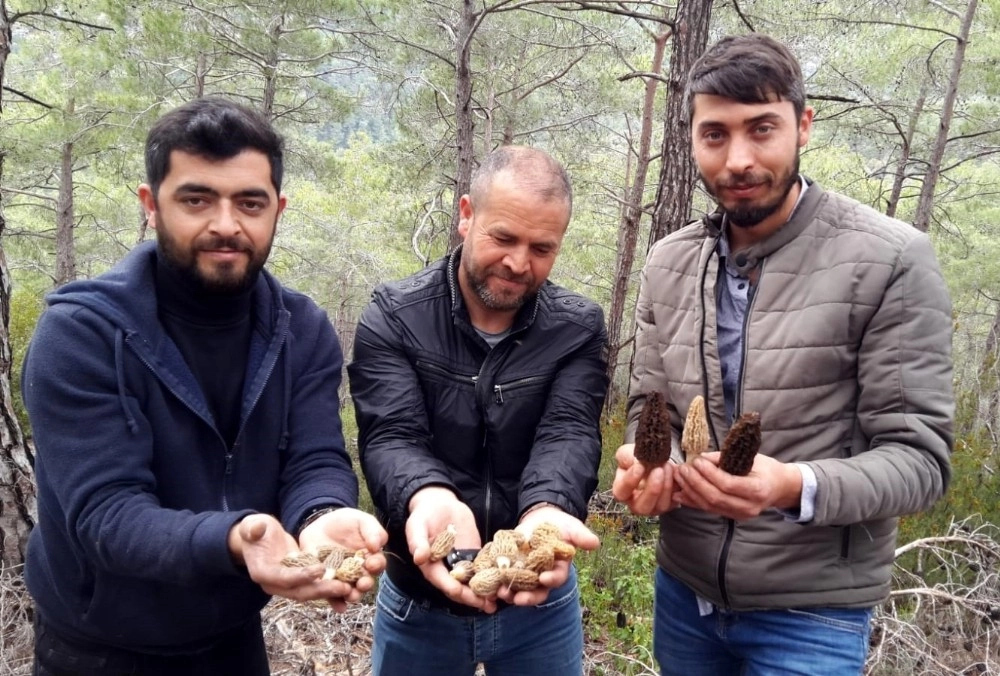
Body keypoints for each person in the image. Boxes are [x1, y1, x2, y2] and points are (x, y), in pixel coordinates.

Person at [612, 33, 953, 675]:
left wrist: (791, 486)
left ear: (803, 126)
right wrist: (648, 462)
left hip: (812, 612)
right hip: (684, 595)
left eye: (761, 129)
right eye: (715, 134)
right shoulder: (668, 262)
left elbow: (921, 460)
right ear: (691, 139)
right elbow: (645, 405)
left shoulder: (889, 261)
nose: (738, 158)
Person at [21, 97, 387, 676]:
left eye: (249, 202)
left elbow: (314, 456)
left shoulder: (302, 329)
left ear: (278, 210)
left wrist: (320, 515)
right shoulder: (81, 333)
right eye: (196, 199)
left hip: (230, 636)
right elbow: (107, 514)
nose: (225, 223)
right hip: (97, 646)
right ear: (150, 205)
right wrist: (235, 540)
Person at [348, 145, 609, 676]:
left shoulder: (577, 328)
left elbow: (568, 431)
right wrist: (429, 497)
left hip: (539, 607)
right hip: (417, 602)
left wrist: (548, 508)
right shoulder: (394, 317)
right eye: (504, 238)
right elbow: (391, 435)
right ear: (466, 216)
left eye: (542, 247)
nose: (518, 263)